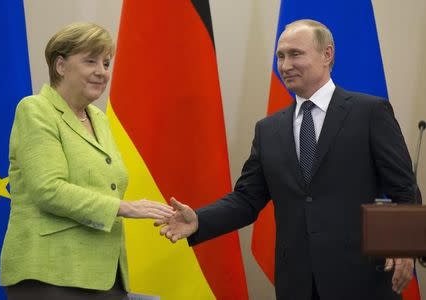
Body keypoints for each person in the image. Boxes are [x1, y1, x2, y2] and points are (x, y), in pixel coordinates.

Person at [157, 19, 419, 300]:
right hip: (297, 282)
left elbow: (403, 187)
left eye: (295, 54)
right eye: (280, 56)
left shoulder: (369, 113)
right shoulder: (268, 129)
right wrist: (199, 219)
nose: (285, 65)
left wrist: (404, 246)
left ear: (327, 55)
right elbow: (247, 199)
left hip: (361, 280)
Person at [0, 22, 174, 300]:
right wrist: (125, 208)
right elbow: (48, 189)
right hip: (51, 274)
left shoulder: (99, 119)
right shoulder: (35, 110)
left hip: (107, 275)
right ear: (60, 66)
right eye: (90, 61)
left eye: (106, 63)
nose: (102, 72)